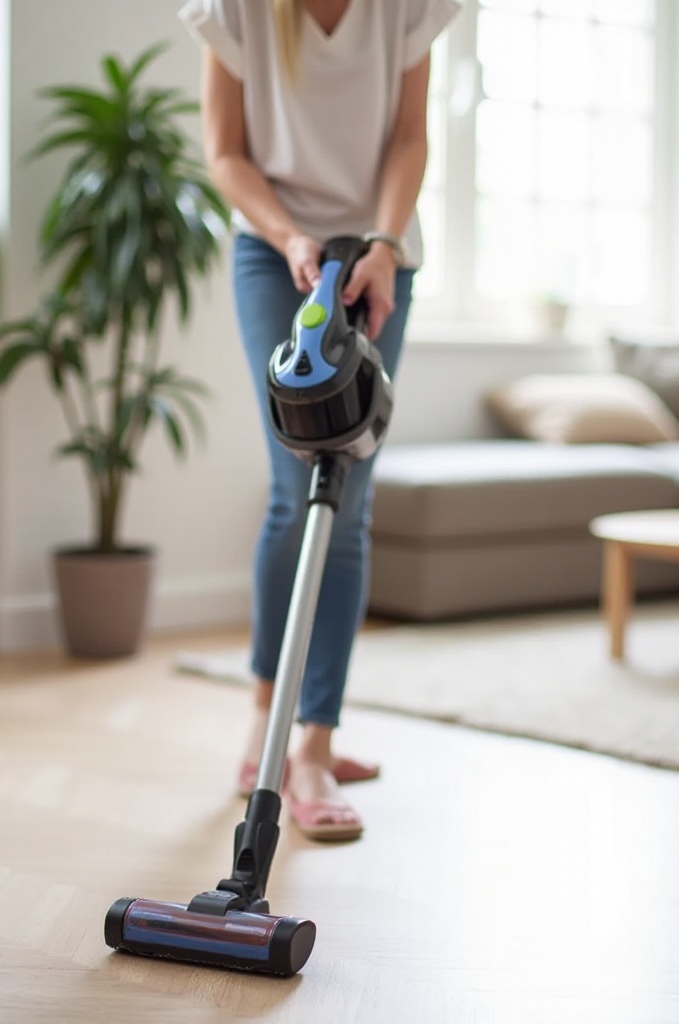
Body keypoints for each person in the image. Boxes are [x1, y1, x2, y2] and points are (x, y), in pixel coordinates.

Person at [179, 0, 460, 841]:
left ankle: (312, 744)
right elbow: (226, 153)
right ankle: (268, 726)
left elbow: (409, 137)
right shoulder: (235, 9)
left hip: (380, 252)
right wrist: (293, 238)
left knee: (349, 490)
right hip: (274, 251)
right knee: (298, 477)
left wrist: (380, 244)